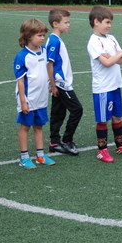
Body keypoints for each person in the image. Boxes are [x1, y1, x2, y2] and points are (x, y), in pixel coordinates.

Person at [86, 6, 122, 163]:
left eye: (110, 23)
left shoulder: (111, 38)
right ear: (96, 22)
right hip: (103, 87)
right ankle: (102, 150)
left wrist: (113, 57)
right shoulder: (94, 42)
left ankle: (120, 145)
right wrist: (116, 56)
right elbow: (107, 63)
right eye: (107, 22)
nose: (109, 26)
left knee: (117, 116)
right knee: (103, 119)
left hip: (115, 85)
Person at [14, 19, 56, 169]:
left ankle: (40, 155)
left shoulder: (44, 51)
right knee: (25, 126)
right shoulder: (22, 56)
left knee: (39, 126)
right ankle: (24, 157)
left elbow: (48, 70)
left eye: (43, 35)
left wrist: (52, 85)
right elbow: (20, 81)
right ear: (28, 36)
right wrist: (23, 101)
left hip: (41, 98)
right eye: (39, 35)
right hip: (28, 99)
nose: (42, 38)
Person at [46, 9, 83, 156]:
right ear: (55, 24)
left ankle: (54, 142)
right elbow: (49, 64)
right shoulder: (54, 41)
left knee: (58, 112)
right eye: (66, 22)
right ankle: (67, 140)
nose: (68, 25)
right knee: (77, 109)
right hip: (61, 84)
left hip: (60, 83)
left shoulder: (57, 40)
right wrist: (53, 84)